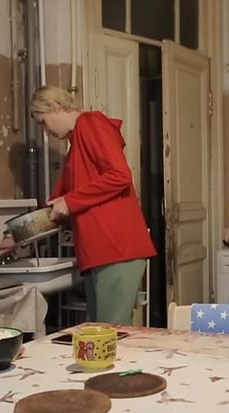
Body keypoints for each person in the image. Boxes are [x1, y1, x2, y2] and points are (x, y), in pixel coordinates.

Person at [31, 85, 156, 325]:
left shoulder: (90, 124)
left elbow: (120, 175)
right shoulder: (74, 149)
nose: (46, 132)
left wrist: (69, 202)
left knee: (109, 334)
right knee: (102, 332)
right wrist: (14, 238)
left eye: (43, 123)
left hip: (115, 249)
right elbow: (55, 207)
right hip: (100, 252)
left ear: (55, 106)